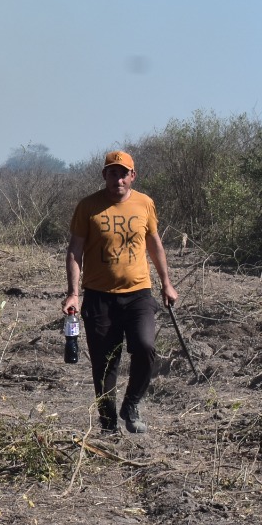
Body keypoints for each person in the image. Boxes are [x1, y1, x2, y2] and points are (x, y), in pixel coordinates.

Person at [61, 150, 177, 434]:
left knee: (146, 347)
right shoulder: (88, 206)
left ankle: (132, 404)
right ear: (105, 175)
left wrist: (166, 283)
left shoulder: (145, 203)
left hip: (139, 293)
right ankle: (108, 424)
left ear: (132, 176)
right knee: (104, 364)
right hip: (98, 296)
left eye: (124, 173)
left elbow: (154, 245)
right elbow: (75, 251)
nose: (118, 179)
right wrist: (73, 293)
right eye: (113, 173)